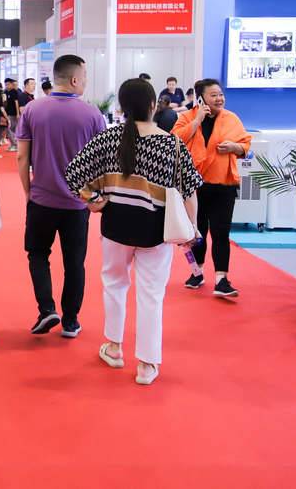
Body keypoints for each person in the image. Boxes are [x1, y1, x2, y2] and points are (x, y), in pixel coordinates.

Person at [66, 79, 201, 385]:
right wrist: (192, 229)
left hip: (115, 226)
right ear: (154, 105)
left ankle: (114, 348)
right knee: (151, 295)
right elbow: (190, 191)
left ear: (122, 107)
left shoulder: (107, 139)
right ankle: (147, 365)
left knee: (114, 285)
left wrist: (93, 201)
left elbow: (73, 173)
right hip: (155, 231)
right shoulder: (170, 145)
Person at [17, 55, 106, 336]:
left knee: (37, 254)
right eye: (85, 76)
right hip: (77, 204)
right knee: (74, 263)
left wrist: (28, 191)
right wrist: (94, 197)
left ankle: (47, 309)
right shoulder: (92, 115)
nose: (86, 81)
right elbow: (101, 163)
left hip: (41, 200)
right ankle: (70, 321)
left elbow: (22, 157)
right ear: (75, 79)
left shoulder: (32, 109)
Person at [172, 79, 252, 297]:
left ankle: (221, 279)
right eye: (214, 95)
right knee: (197, 232)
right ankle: (197, 273)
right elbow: (175, 140)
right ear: (201, 98)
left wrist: (235, 147)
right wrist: (197, 120)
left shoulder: (231, 118)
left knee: (221, 233)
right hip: (195, 187)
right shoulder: (187, 117)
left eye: (221, 94)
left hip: (224, 185)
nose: (219, 99)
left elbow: (245, 146)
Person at [4, 78, 20, 152]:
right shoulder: (6, 92)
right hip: (7, 114)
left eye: (8, 84)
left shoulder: (14, 92)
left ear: (11, 84)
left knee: (11, 129)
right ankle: (13, 144)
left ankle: (15, 145)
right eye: (6, 85)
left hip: (13, 114)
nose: (7, 86)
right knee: (9, 129)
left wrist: (17, 113)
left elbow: (16, 103)